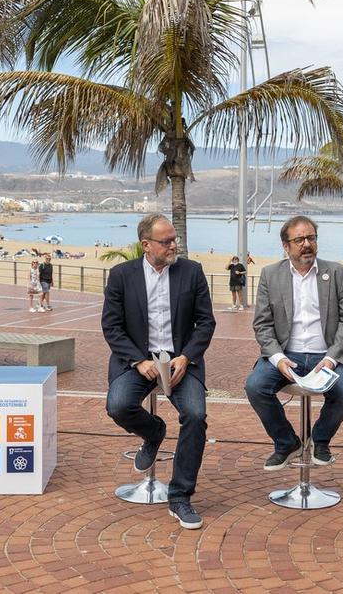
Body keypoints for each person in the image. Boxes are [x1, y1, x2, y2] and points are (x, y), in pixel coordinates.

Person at [101, 214, 215, 530]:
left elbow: (206, 322)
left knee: (195, 415)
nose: (173, 245)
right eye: (166, 241)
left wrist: (186, 357)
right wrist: (139, 361)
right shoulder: (122, 275)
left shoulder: (191, 272)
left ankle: (180, 497)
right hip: (137, 361)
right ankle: (153, 432)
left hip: (181, 362)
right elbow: (111, 326)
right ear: (146, 245)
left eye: (174, 239)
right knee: (118, 405)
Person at [245, 215, 343, 470]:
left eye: (311, 238)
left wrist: (331, 359)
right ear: (286, 246)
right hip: (286, 355)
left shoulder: (337, 273)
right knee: (255, 387)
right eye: (299, 240)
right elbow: (262, 325)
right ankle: (287, 443)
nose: (306, 244)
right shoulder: (270, 275)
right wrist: (278, 358)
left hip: (328, 355)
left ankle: (320, 439)